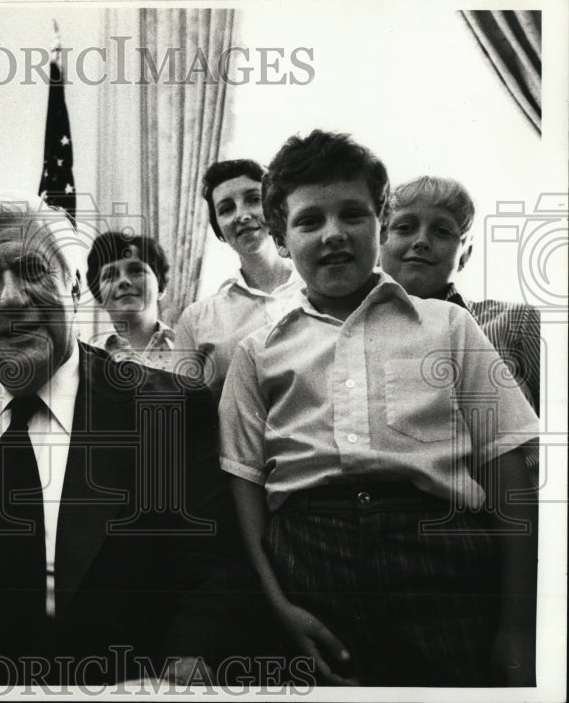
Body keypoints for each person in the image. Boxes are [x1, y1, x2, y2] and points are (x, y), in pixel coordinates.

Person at [218, 130, 538, 687]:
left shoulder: (451, 327)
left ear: (381, 218)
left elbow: (507, 472)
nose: (334, 234)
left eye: (353, 214)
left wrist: (515, 628)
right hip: (309, 562)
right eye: (309, 221)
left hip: (441, 559)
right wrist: (277, 605)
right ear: (280, 236)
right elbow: (244, 490)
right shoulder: (257, 354)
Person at [0, 190, 246, 686]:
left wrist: (185, 669)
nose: (10, 297)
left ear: (72, 286)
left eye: (31, 271)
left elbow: (214, 565)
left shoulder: (163, 408)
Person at [381, 175, 541, 415]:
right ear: (377, 244)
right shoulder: (348, 334)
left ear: (466, 254)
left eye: (442, 231)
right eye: (404, 228)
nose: (422, 241)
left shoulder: (516, 323)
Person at [175, 159, 302, 398]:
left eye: (253, 200)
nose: (241, 215)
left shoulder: (320, 291)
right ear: (219, 230)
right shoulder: (196, 319)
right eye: (226, 209)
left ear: (275, 208)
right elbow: (185, 413)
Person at [85, 230, 177, 371]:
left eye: (136, 270)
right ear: (99, 299)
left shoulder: (187, 349)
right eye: (110, 275)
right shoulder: (86, 360)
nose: (124, 281)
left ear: (161, 288)